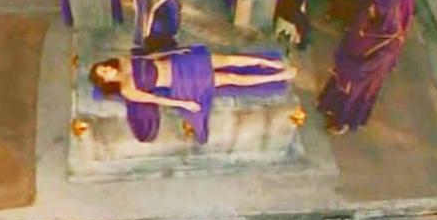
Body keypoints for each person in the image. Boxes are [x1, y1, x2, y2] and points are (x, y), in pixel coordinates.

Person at [90, 45, 296, 144]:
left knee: (227, 59)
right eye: (105, 74)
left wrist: (174, 52)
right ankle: (277, 77)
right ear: (107, 82)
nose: (109, 69)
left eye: (104, 67)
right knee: (231, 78)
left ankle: (269, 63)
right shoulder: (127, 89)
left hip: (180, 63)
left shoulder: (123, 61)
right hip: (182, 81)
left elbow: (151, 57)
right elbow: (154, 98)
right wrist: (184, 103)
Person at [318, 0, 412, 135]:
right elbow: (351, 34)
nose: (370, 8)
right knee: (336, 87)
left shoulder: (392, 41)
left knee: (351, 98)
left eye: (375, 7)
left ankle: (341, 122)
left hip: (362, 77)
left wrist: (347, 66)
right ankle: (329, 106)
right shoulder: (367, 17)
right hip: (347, 62)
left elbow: (374, 65)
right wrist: (342, 55)